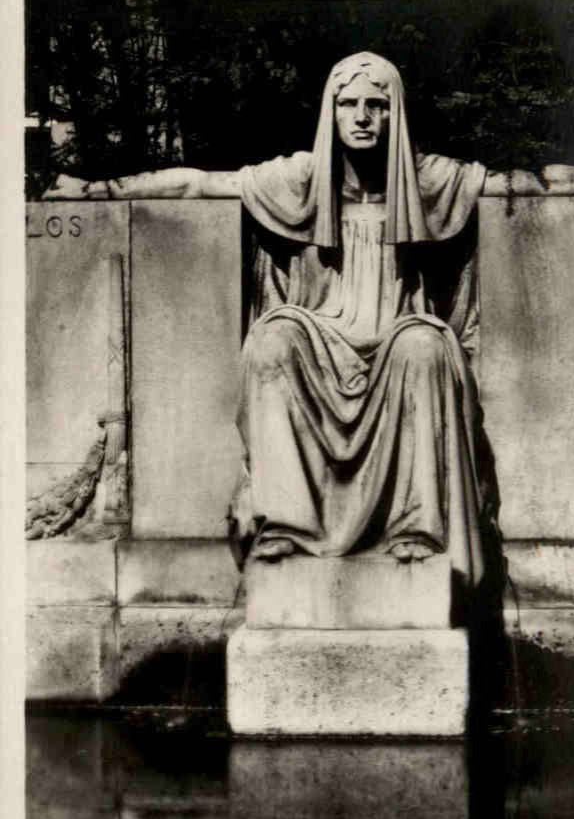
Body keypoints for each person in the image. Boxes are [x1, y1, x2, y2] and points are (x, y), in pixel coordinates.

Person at [45, 52, 500, 589]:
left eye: (375, 106)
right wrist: (105, 190)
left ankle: (417, 528)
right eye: (348, 104)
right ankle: (288, 521)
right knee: (273, 340)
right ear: (329, 113)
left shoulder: (430, 181)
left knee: (423, 346)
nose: (361, 117)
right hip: (320, 336)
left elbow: (525, 187)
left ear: (393, 113)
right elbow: (199, 185)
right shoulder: (302, 180)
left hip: (400, 337)